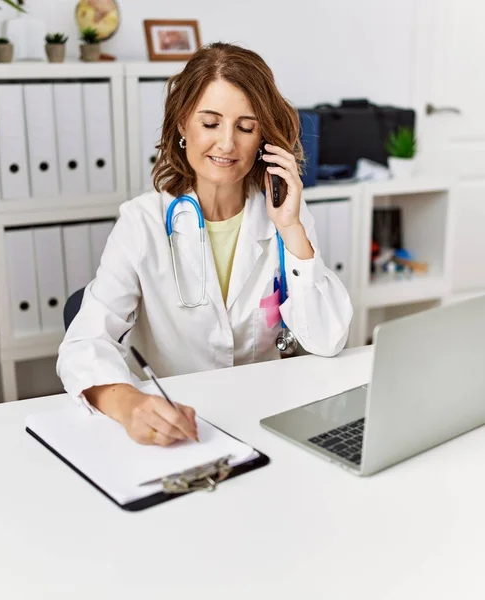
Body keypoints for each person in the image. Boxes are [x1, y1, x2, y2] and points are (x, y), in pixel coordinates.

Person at [57, 42, 353, 447]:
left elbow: (329, 339)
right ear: (183, 126)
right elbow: (84, 342)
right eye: (210, 123)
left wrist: (291, 228)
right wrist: (129, 405)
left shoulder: (286, 216)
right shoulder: (142, 223)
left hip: (268, 422)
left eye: (246, 127)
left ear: (263, 137)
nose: (227, 144)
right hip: (182, 429)